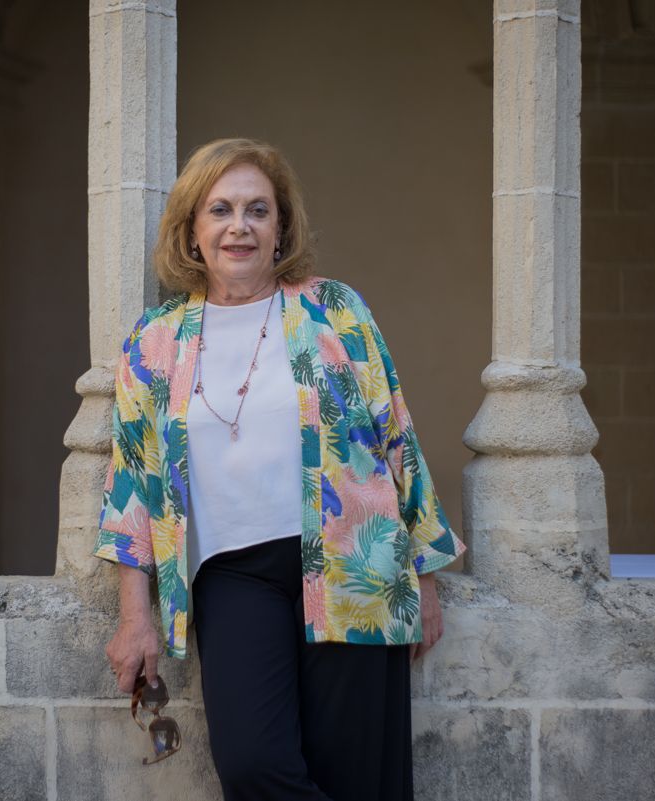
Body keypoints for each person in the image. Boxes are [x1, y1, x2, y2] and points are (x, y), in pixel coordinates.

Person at [94, 137, 464, 800]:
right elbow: (132, 485)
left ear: (280, 228)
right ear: (192, 231)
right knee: (253, 765)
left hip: (352, 562)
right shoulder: (155, 340)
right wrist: (134, 615)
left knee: (356, 777)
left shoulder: (335, 309)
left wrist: (426, 577)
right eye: (221, 210)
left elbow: (395, 433)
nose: (239, 226)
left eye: (257, 210)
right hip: (232, 576)